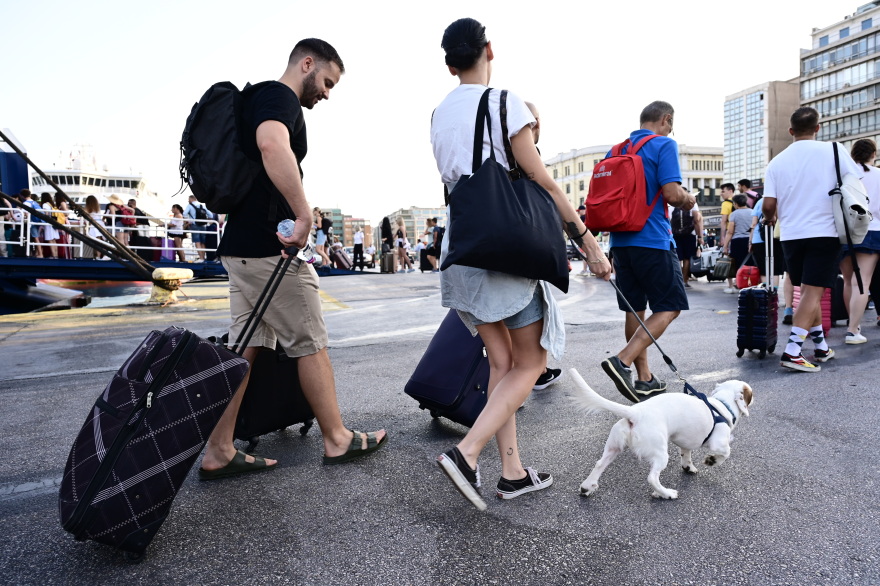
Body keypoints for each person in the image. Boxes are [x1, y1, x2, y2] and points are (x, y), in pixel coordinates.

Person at [430, 18, 612, 509]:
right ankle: (467, 453)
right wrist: (590, 245)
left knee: (502, 364)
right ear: (489, 49)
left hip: (462, 249)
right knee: (532, 362)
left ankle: (512, 472)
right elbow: (544, 183)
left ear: (449, 65)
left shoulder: (439, 114)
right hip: (505, 254)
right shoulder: (505, 102)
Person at [201, 37, 386, 480]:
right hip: (270, 250)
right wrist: (304, 215)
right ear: (306, 64)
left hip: (240, 248)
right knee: (310, 340)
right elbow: (271, 144)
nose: (327, 93)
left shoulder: (254, 98)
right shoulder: (279, 97)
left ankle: (219, 449)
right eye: (327, 82)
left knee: (245, 348)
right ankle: (337, 438)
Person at [599, 100, 697, 403]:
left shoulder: (615, 150)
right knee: (670, 307)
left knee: (635, 309)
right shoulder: (663, 144)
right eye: (671, 125)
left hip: (620, 243)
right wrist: (688, 200)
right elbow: (672, 193)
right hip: (652, 239)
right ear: (666, 119)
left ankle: (644, 379)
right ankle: (623, 361)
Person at [762, 106, 861, 372]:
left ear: (791, 131)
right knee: (812, 291)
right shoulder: (834, 150)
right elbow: (855, 182)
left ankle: (821, 346)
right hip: (825, 231)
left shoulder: (776, 162)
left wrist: (770, 218)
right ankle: (793, 351)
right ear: (818, 128)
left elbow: (768, 205)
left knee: (807, 290)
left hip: (791, 234)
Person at [840, 139, 880, 344]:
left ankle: (853, 323)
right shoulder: (878, 175)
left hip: (844, 231)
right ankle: (853, 330)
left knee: (848, 281)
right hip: (871, 230)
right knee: (862, 281)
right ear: (873, 154)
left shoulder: (844, 175)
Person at [670, 198, 703, 288]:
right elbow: (696, 220)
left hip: (675, 235)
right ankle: (685, 280)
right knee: (687, 258)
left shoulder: (672, 204)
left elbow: (669, 220)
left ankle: (676, 280)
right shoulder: (692, 204)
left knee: (676, 258)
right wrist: (699, 236)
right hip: (689, 235)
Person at [723, 194, 752, 284]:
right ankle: (749, 283)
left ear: (735, 203)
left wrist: (725, 246)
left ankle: (737, 283)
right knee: (749, 263)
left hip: (737, 241)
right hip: (750, 240)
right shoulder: (752, 212)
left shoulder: (734, 214)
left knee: (736, 264)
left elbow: (730, 232)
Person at [718, 183, 736, 292]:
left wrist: (722, 238)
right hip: (742, 234)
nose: (721, 194)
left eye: (723, 191)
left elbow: (724, 221)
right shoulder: (741, 201)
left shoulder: (726, 203)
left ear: (730, 191)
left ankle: (730, 285)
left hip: (730, 234)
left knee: (729, 259)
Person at [184, 195, 213, 261]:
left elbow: (184, 214)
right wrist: (207, 222)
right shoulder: (202, 205)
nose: (188, 201)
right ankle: (203, 258)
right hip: (203, 225)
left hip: (194, 225)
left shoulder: (189, 205)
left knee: (197, 242)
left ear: (191, 199)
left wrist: (188, 221)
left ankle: (201, 258)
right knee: (203, 242)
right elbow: (210, 215)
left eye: (188, 199)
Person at [39, 193, 60, 258]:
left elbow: (46, 213)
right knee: (54, 240)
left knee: (50, 240)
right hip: (54, 223)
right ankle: (56, 255)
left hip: (48, 224)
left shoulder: (45, 204)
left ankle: (53, 255)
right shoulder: (52, 204)